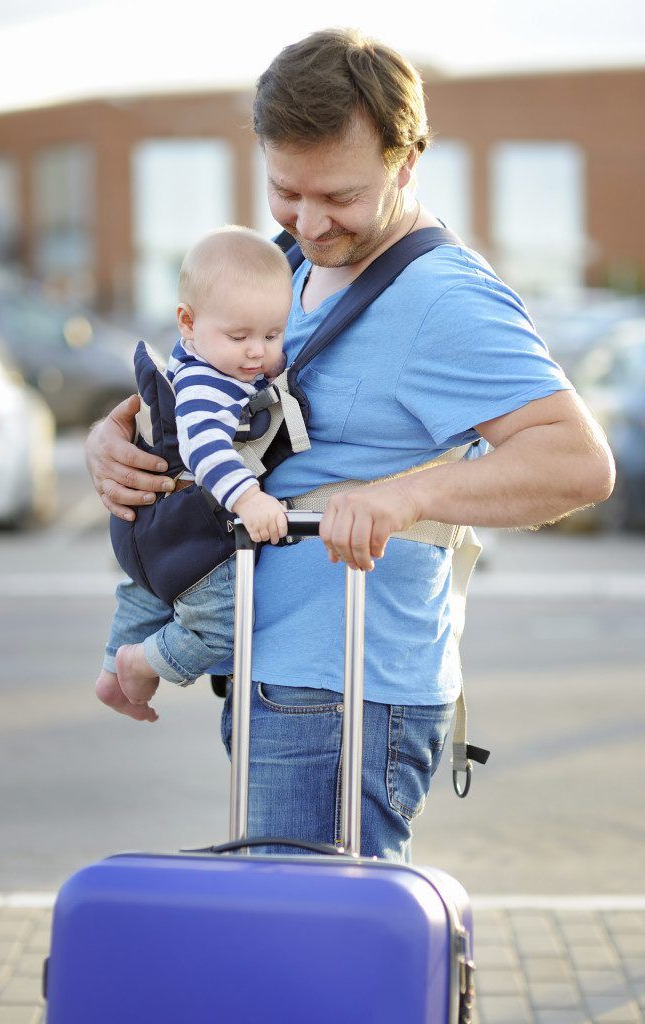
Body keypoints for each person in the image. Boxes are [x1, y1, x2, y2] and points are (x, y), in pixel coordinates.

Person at [86, 29, 614, 861]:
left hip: (350, 691)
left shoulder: (445, 298)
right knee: (292, 943)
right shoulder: (290, 261)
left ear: (407, 162)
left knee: (319, 958)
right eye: (284, 191)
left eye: (337, 195)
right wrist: (106, 444)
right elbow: (211, 391)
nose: (308, 220)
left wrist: (405, 497)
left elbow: (578, 460)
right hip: (278, 673)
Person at [96, 227, 291, 723]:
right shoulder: (209, 383)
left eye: (272, 335)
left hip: (151, 529)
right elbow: (205, 449)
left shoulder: (198, 359)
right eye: (240, 336)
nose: (256, 353)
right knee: (222, 624)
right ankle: (140, 663)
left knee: (145, 593)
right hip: (189, 534)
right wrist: (248, 499)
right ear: (187, 321)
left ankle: (109, 674)